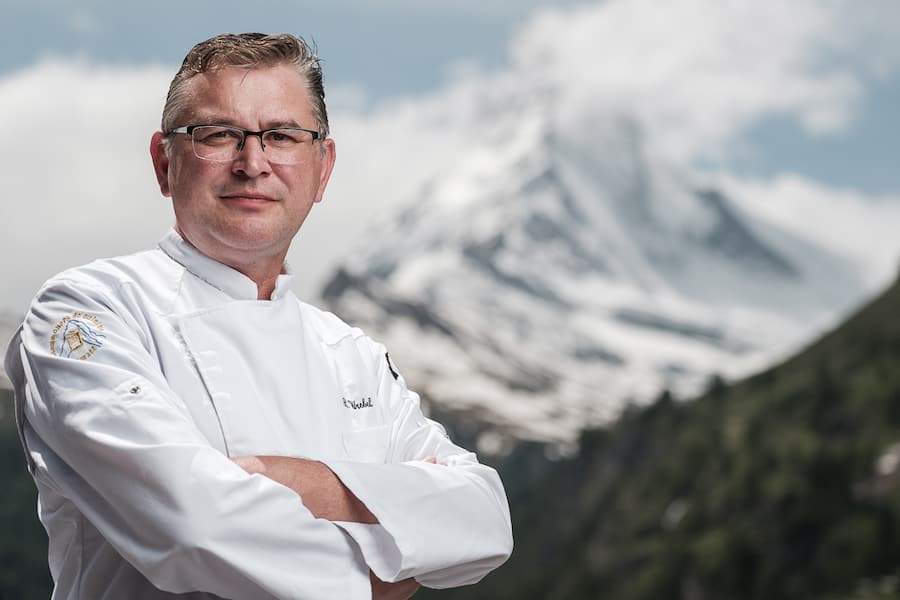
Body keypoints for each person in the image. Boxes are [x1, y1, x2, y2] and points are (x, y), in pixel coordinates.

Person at [4, 33, 513, 599]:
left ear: (323, 168)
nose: (253, 163)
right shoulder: (87, 310)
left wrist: (296, 479)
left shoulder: (350, 353)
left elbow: (484, 517)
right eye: (218, 134)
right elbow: (193, 529)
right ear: (163, 161)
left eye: (282, 136)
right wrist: (396, 557)